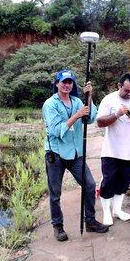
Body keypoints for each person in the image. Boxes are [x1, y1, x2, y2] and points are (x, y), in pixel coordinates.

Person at [42, 69, 109, 241]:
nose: (66, 85)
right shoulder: (50, 104)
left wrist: (89, 96)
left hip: (75, 152)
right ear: (57, 83)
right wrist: (77, 115)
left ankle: (90, 221)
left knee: (89, 184)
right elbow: (57, 131)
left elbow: (92, 118)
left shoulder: (77, 101)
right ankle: (58, 227)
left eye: (70, 82)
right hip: (56, 153)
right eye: (63, 82)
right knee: (55, 193)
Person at [96, 73, 130, 226]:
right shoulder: (109, 99)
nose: (129, 93)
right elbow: (100, 122)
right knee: (108, 181)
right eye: (126, 90)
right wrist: (117, 114)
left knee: (124, 182)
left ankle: (117, 210)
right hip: (111, 150)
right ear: (118, 86)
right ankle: (106, 212)